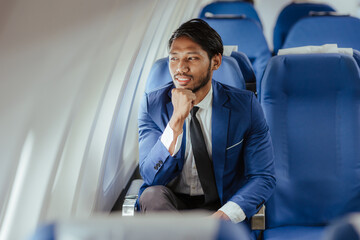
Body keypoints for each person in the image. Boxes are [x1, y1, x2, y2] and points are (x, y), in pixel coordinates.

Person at [137, 18, 275, 224]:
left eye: (191, 58)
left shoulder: (244, 106)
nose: (180, 68)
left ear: (215, 62)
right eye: (174, 59)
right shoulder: (153, 105)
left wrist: (223, 216)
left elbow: (263, 177)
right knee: (151, 194)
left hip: (222, 204)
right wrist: (176, 120)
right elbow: (151, 176)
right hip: (171, 206)